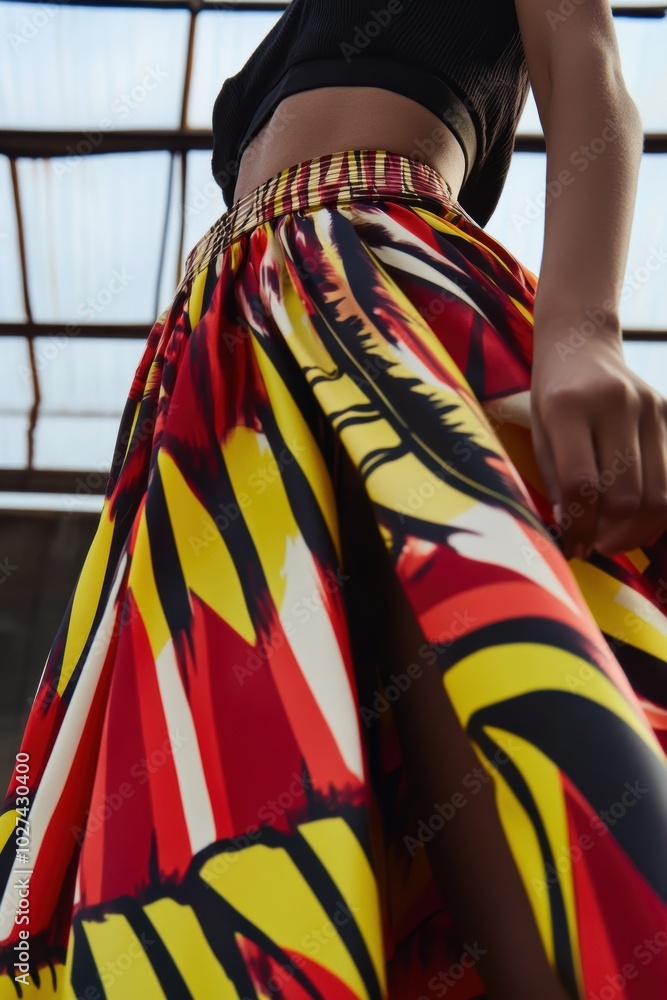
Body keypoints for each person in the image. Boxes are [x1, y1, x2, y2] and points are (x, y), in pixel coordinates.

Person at [1, 1, 666, 998]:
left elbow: (590, 62)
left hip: (366, 282)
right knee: (223, 808)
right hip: (213, 368)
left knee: (484, 664)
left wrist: (583, 330)